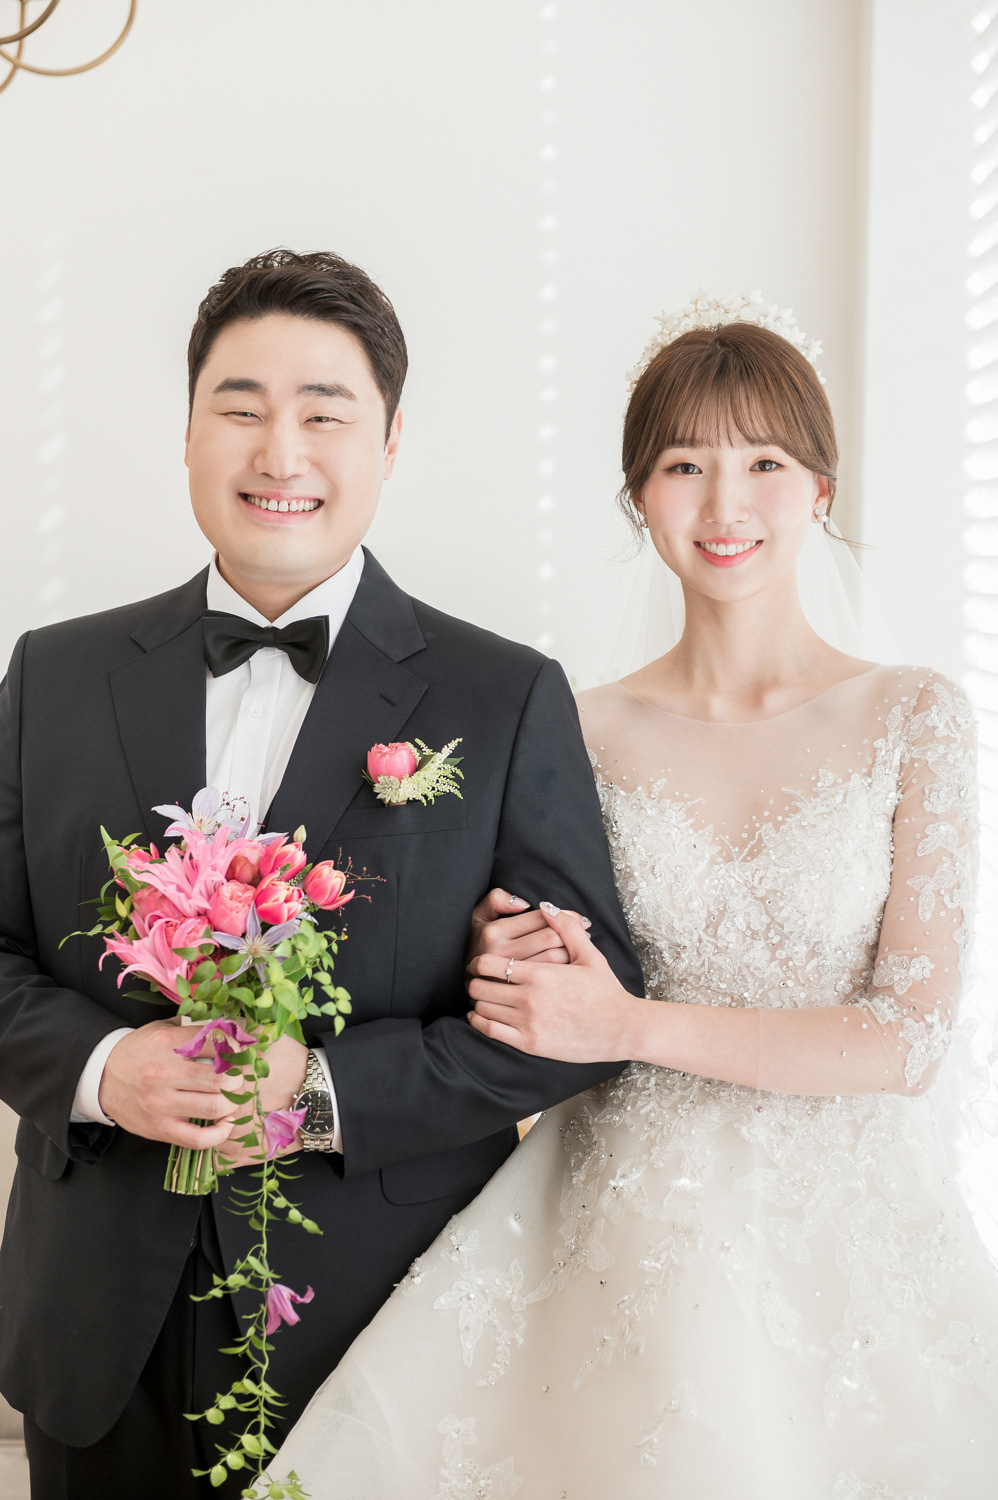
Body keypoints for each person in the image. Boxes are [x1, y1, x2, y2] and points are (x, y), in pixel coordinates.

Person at [268, 304, 998, 1498]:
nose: (724, 505)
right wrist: (498, 949)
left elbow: (909, 1036)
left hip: (845, 1241)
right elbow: (527, 979)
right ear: (638, 497)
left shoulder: (914, 717)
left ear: (818, 488)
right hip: (616, 1219)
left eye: (764, 463)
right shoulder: (571, 724)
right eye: (683, 466)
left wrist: (628, 1025)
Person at [0, 247, 642, 1498]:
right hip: (92, 1318)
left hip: (378, 1325)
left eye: (323, 412)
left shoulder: (501, 695)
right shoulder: (54, 675)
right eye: (239, 408)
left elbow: (583, 1020)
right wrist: (101, 1067)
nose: (278, 452)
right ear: (188, 434)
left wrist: (325, 1093)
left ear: (389, 441)